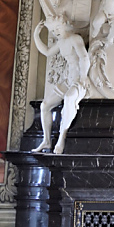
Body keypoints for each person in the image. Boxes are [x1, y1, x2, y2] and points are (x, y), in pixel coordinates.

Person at [32, 13, 90, 155]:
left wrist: (83, 77)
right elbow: (46, 52)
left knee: (69, 100)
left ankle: (61, 138)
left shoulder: (75, 39)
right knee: (44, 106)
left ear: (64, 24)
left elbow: (84, 57)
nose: (56, 32)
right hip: (67, 80)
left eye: (57, 28)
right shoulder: (61, 42)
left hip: (78, 81)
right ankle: (46, 140)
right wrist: (36, 35)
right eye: (54, 30)